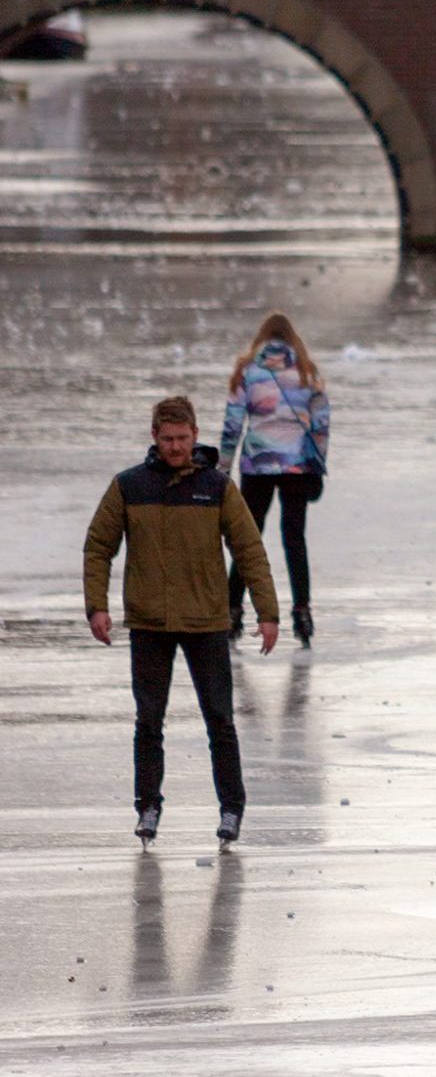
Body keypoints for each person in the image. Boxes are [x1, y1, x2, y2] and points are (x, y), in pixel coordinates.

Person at [84, 396, 279, 846]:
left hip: (206, 622)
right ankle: (147, 807)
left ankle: (231, 809)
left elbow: (249, 551)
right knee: (149, 720)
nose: (175, 447)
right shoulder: (129, 486)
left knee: (220, 720)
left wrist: (267, 612)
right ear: (155, 437)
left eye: (183, 439)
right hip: (150, 622)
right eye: (168, 439)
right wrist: (97, 605)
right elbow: (98, 546)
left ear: (195, 435)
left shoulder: (216, 487)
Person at [221, 313, 328, 648]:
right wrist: (319, 462)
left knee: (248, 539)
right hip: (297, 464)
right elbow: (321, 424)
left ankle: (232, 610)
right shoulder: (308, 371)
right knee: (294, 539)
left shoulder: (247, 371)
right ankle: (302, 612)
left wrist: (223, 469)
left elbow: (232, 425)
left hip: (258, 464)